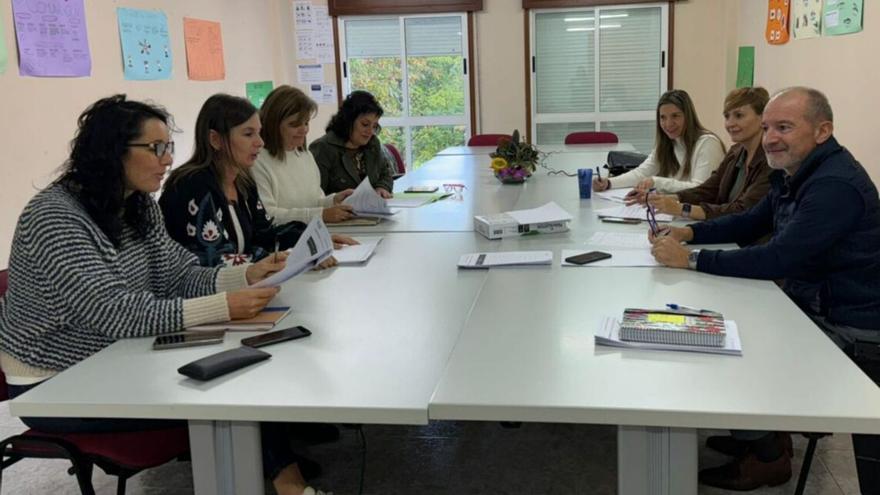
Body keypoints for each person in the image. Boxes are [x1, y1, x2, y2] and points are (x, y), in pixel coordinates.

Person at [0, 95, 329, 495]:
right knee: (231, 389)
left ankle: (280, 477)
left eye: (168, 147)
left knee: (245, 366)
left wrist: (246, 275)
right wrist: (223, 304)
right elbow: (114, 312)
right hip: (57, 380)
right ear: (110, 151)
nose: (168, 159)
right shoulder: (55, 217)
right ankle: (286, 483)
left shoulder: (137, 205)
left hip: (119, 354)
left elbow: (177, 274)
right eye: (156, 148)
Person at [650, 87, 880, 491]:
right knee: (712, 322)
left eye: (785, 127)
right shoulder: (793, 171)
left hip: (849, 328)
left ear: (823, 130)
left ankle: (768, 457)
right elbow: (750, 223)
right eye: (770, 126)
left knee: (723, 354)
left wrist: (690, 258)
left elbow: (778, 258)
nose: (771, 137)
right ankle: (757, 435)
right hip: (809, 301)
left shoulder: (834, 187)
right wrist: (689, 231)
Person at [160, 94, 354, 268]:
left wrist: (310, 238)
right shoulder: (192, 186)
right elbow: (212, 261)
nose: (260, 142)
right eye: (248, 134)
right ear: (215, 140)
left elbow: (265, 234)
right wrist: (291, 257)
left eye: (259, 133)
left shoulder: (243, 181)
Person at [647, 87, 772, 221]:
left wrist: (682, 208)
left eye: (739, 115)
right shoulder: (735, 152)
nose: (730, 123)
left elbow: (743, 210)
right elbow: (709, 189)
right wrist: (670, 198)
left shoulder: (771, 161)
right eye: (727, 116)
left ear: (763, 118)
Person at [592, 89, 725, 202]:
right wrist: (609, 183)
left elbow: (700, 191)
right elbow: (642, 173)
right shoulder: (668, 142)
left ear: (688, 116)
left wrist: (657, 182)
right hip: (677, 211)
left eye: (675, 116)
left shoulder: (708, 144)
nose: (668, 124)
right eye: (663, 117)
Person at [253, 85, 356, 224]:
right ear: (273, 125)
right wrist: (320, 214)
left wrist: (334, 200)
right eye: (294, 125)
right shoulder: (258, 162)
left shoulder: (305, 155)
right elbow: (268, 215)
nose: (304, 130)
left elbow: (313, 202)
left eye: (306, 122)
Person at [310, 90, 396, 198]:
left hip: (371, 211)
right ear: (348, 121)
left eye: (374, 126)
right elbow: (317, 196)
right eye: (365, 124)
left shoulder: (373, 144)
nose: (370, 132)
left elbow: (385, 174)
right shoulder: (322, 148)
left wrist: (382, 187)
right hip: (339, 212)